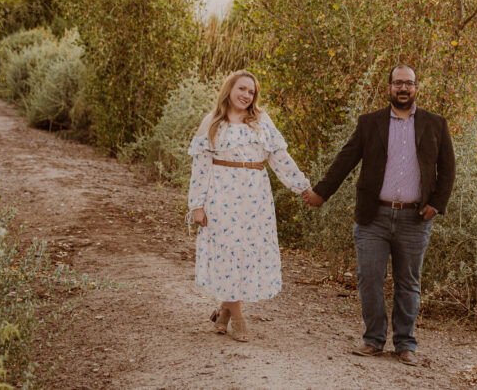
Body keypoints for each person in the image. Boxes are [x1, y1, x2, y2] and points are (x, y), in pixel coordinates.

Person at [302, 64, 455, 366]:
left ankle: (405, 344)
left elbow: (448, 169)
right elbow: (345, 160)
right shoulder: (370, 123)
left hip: (415, 219)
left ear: (416, 88)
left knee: (408, 282)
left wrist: (436, 204)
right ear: (388, 88)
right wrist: (321, 193)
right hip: (373, 217)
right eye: (398, 83)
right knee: (369, 278)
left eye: (409, 83)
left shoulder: (435, 124)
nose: (403, 89)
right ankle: (373, 339)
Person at [187, 70, 315, 342]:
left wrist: (302, 186)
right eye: (242, 89)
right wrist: (197, 205)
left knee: (244, 254)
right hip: (221, 197)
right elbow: (200, 167)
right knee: (228, 252)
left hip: (255, 198)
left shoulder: (261, 122)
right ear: (229, 89)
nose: (246, 95)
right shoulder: (211, 122)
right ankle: (238, 317)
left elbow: (280, 158)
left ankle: (224, 311)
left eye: (251, 92)